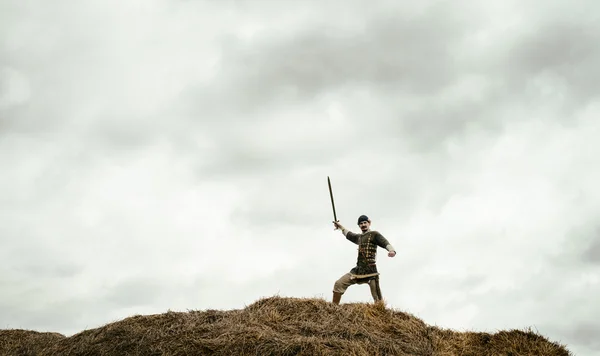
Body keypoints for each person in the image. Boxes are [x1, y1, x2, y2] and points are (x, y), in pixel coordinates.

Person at [331, 214, 396, 305]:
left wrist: (391, 250)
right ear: (359, 226)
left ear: (369, 223)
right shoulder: (359, 237)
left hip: (371, 271)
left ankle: (381, 314)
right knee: (339, 284)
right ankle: (334, 308)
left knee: (378, 300)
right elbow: (349, 234)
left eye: (365, 222)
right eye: (361, 223)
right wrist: (340, 226)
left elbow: (384, 242)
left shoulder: (374, 234)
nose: (363, 225)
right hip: (358, 270)